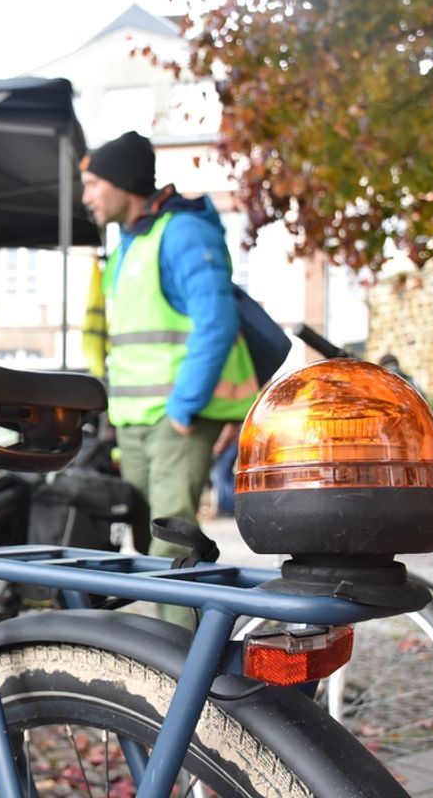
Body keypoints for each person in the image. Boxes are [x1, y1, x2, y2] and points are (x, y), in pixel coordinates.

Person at [80, 130, 259, 625]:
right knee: (150, 546)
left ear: (121, 183)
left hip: (173, 419)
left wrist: (184, 407)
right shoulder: (129, 244)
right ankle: (168, 661)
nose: (86, 197)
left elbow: (216, 322)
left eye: (93, 183)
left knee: (170, 543)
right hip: (136, 421)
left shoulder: (181, 232)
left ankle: (184, 675)